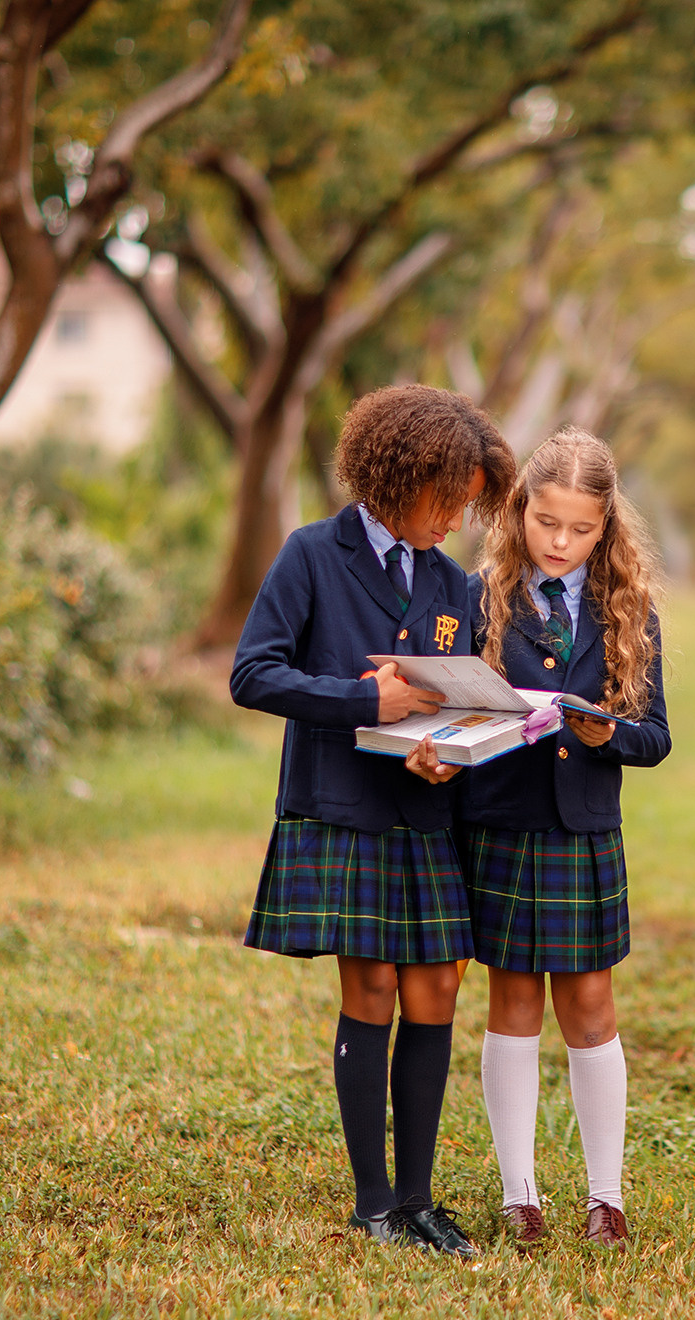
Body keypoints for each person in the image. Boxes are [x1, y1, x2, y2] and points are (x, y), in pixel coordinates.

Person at [233, 384, 516, 1257]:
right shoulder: (312, 554)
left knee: (436, 991)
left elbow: (458, 700)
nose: (456, 517)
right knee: (372, 990)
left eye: (468, 503)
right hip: (345, 810)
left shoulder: (453, 584)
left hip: (424, 811)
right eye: (448, 498)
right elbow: (253, 673)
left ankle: (421, 1199)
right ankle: (373, 1203)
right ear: (400, 475)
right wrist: (364, 699)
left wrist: (453, 747)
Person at [406, 425, 670, 1250]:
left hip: (583, 830)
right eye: (545, 522)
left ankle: (606, 1197)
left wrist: (608, 735)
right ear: (520, 509)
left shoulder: (629, 608)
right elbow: (446, 708)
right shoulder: (477, 595)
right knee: (513, 1001)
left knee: (591, 1006)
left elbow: (656, 736)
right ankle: (519, 1194)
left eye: (580, 529)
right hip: (502, 823)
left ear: (606, 525)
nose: (560, 542)